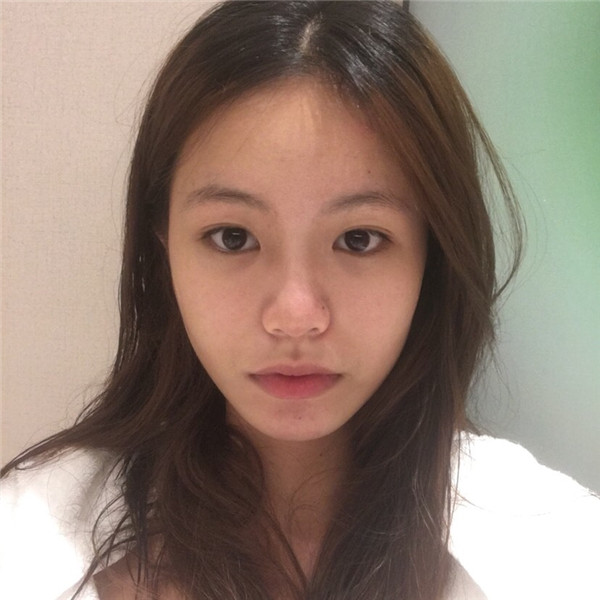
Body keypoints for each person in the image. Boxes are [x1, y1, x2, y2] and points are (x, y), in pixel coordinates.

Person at [1, 1, 598, 599]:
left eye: (359, 239)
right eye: (232, 237)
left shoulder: (556, 549)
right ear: (164, 247)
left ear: (432, 255)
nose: (294, 315)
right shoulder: (28, 541)